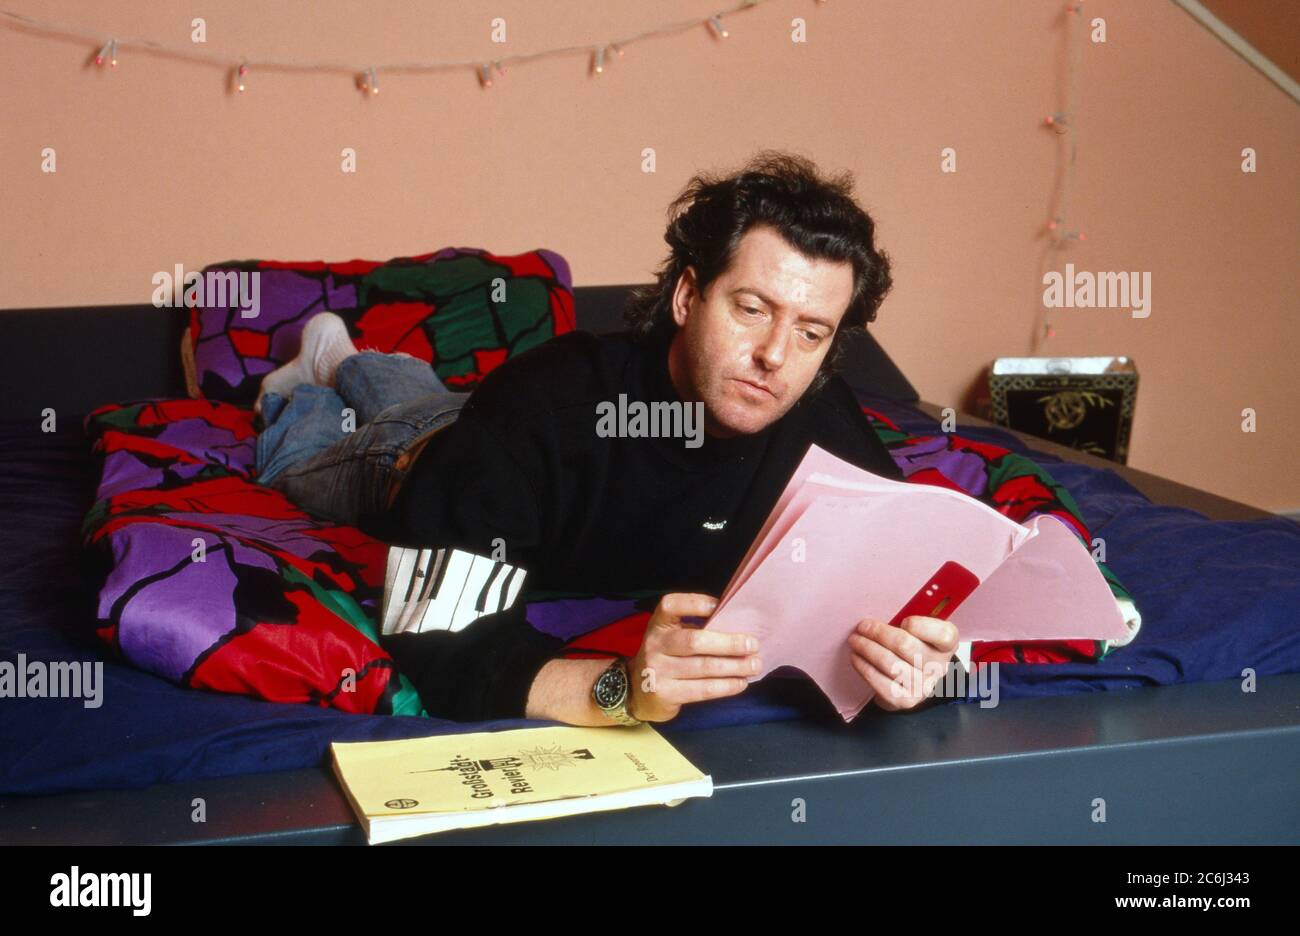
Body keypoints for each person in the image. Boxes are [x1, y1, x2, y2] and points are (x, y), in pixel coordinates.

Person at [253, 151, 960, 726]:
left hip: (475, 429)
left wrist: (925, 668)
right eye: (752, 308)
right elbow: (435, 634)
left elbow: (908, 595)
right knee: (305, 449)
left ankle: (347, 357)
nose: (776, 356)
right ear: (688, 297)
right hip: (411, 465)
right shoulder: (544, 403)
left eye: (811, 332)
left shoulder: (823, 418)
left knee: (426, 395)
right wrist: (622, 688)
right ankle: (304, 380)